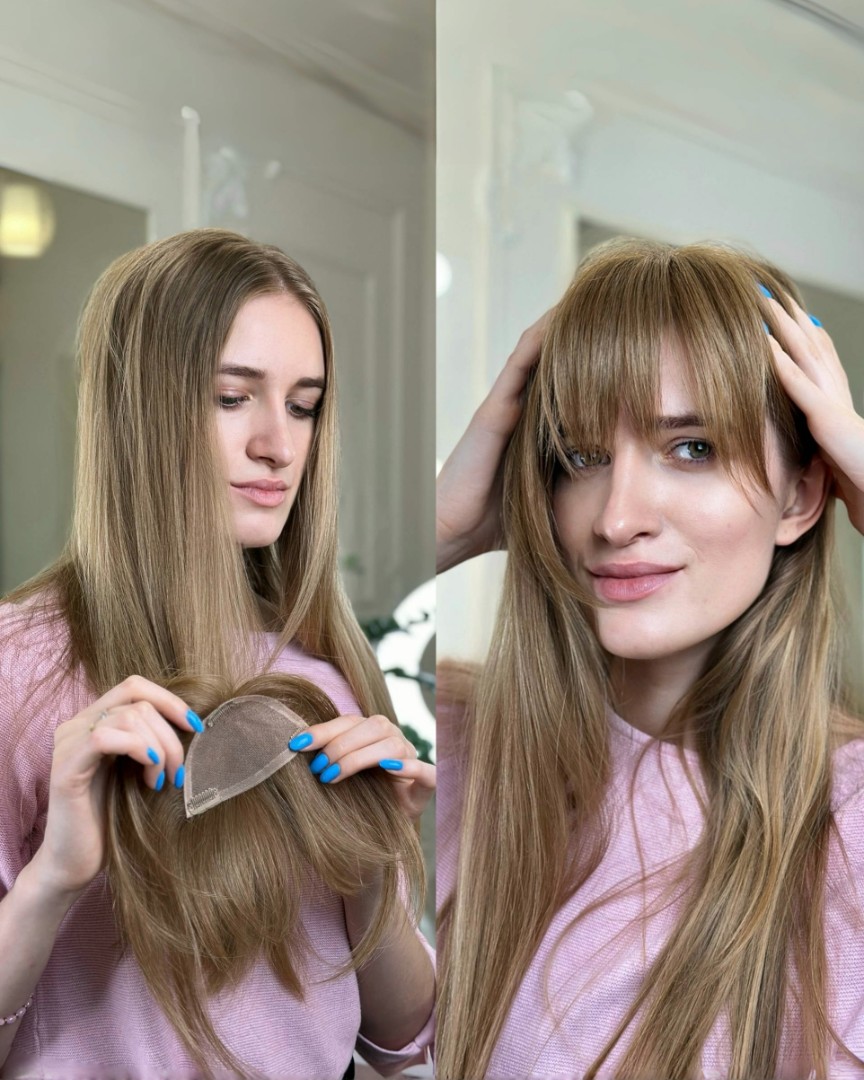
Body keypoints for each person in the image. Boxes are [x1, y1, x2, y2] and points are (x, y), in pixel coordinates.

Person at [0, 229, 435, 1079]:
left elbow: (403, 1041)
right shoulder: (20, 665)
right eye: (233, 398)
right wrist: (54, 879)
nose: (280, 444)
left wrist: (375, 877)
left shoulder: (329, 677)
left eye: (304, 406)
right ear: (141, 411)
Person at [435, 238, 864, 1079]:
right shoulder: (460, 742)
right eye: (581, 457)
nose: (615, 517)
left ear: (802, 495)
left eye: (692, 447)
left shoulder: (846, 817)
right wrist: (444, 529)